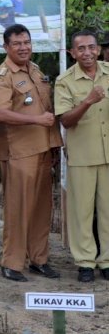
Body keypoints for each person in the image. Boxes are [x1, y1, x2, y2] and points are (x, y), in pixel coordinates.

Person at [0, 24, 62, 281]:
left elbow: (46, 106)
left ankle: (38, 259)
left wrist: (53, 143)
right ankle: (12, 263)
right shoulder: (3, 76)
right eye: (17, 44)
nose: (23, 47)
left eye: (27, 42)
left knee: (42, 208)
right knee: (18, 209)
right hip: (18, 152)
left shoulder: (35, 70)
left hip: (42, 148)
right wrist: (37, 121)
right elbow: (0, 113)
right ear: (6, 47)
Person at [54, 30, 109, 282]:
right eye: (81, 49)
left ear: (98, 49)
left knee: (108, 211)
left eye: (91, 47)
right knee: (81, 213)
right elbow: (66, 120)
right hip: (82, 156)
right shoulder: (65, 81)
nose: (87, 53)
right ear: (72, 53)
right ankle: (85, 262)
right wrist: (88, 100)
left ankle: (106, 260)